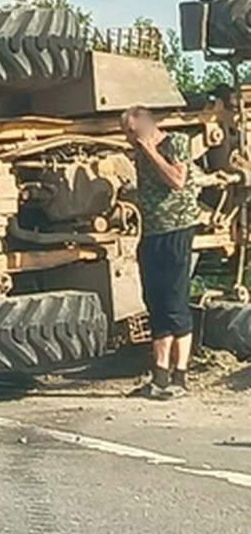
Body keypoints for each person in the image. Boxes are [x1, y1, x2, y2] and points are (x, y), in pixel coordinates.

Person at [121, 105, 200, 400]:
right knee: (155, 299)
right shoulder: (138, 154)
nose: (129, 138)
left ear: (145, 124)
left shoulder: (175, 143)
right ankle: (160, 375)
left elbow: (177, 181)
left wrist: (152, 152)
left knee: (175, 299)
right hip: (152, 232)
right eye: (125, 134)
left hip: (177, 229)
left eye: (132, 131)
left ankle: (180, 376)